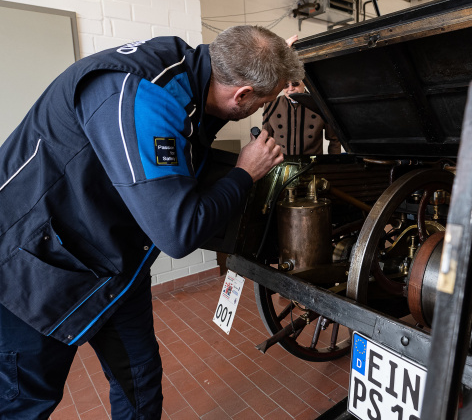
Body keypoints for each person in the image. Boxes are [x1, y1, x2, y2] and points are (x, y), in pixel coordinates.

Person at [0, 25, 303, 418]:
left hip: (113, 262)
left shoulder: (197, 68)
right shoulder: (142, 100)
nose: (263, 106)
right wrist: (245, 172)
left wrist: (274, 59)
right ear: (242, 94)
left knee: (139, 383)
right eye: (263, 99)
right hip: (31, 267)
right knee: (24, 402)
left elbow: (239, 72)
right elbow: (177, 234)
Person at [262, 79, 341, 155]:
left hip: (313, 163)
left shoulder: (320, 104)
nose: (290, 89)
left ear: (304, 82)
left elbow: (335, 139)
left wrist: (335, 164)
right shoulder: (271, 105)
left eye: (295, 83)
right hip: (282, 162)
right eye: (285, 85)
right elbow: (266, 138)